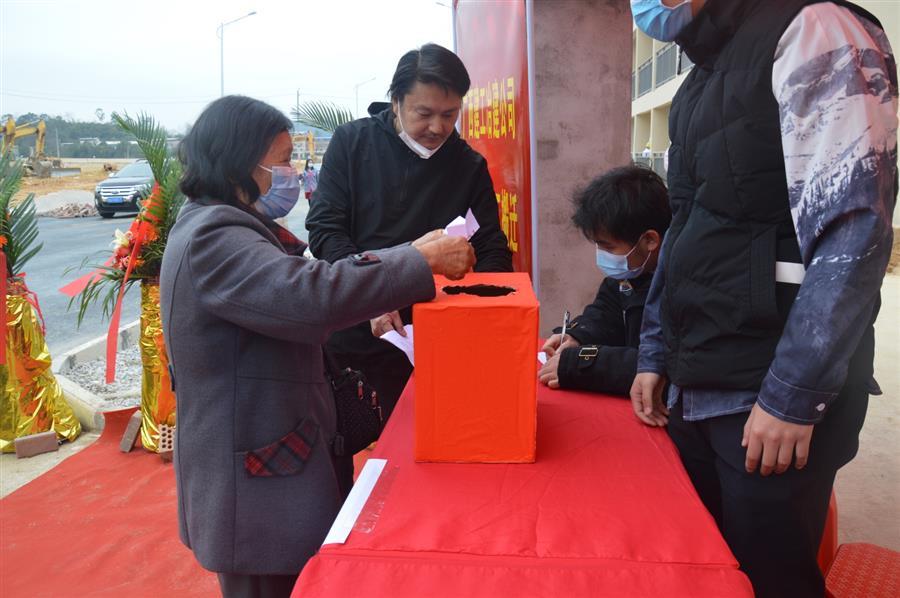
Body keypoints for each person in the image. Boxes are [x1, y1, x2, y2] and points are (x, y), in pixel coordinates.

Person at [629, 1, 897, 596]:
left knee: (772, 579)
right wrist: (654, 352)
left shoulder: (813, 28)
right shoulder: (702, 73)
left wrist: (792, 395)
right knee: (705, 572)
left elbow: (854, 230)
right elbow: (682, 226)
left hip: (766, 393)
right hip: (698, 376)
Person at [159, 95, 475, 598]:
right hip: (255, 488)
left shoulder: (227, 226)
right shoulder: (213, 237)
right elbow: (309, 296)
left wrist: (401, 266)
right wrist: (420, 261)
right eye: (283, 160)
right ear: (242, 162)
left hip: (275, 461)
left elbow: (298, 293)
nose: (291, 174)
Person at [306, 42, 513, 425]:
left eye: (449, 115)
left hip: (437, 334)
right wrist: (368, 297)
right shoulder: (352, 144)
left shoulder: (467, 165)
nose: (437, 128)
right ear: (396, 101)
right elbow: (325, 230)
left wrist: (489, 314)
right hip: (357, 330)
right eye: (424, 114)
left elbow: (490, 246)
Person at [538, 166, 670, 396]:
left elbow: (660, 361)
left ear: (650, 240)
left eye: (608, 246)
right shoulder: (631, 274)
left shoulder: (682, 283)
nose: (601, 255)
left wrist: (581, 364)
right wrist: (577, 337)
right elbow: (606, 314)